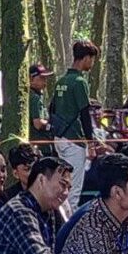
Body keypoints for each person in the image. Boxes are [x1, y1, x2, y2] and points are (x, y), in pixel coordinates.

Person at [51, 40, 100, 211]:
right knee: (72, 188)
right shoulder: (79, 81)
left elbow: (53, 109)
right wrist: (91, 143)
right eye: (92, 59)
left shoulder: (61, 82)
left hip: (59, 138)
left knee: (61, 182)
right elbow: (85, 115)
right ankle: (68, 225)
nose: (92, 64)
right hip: (74, 140)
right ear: (86, 58)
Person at [28, 63, 56, 155]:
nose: (45, 82)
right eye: (41, 78)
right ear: (31, 79)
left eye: (45, 79)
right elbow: (38, 124)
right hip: (40, 146)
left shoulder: (35, 96)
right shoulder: (34, 98)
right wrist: (52, 125)